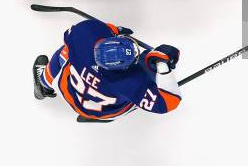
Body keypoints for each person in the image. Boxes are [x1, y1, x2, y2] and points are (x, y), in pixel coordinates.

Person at [33, 18, 181, 122]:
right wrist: (163, 69)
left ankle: (44, 85)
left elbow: (71, 35)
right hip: (111, 111)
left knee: (66, 51)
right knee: (148, 67)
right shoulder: (131, 82)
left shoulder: (83, 36)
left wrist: (110, 29)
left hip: (69, 91)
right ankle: (154, 66)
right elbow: (169, 102)